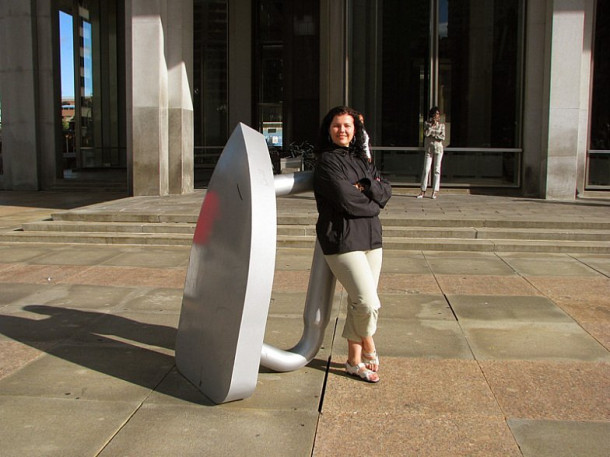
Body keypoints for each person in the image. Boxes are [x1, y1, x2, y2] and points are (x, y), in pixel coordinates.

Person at [313, 106, 392, 383]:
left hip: (371, 237)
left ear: (355, 130)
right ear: (329, 129)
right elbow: (347, 200)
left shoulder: (363, 160)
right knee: (368, 302)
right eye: (337, 125)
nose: (342, 130)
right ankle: (369, 344)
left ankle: (353, 362)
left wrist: (366, 186)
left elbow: (386, 191)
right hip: (343, 239)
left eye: (348, 126)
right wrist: (371, 197)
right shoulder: (326, 162)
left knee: (358, 303)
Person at [417, 107, 445, 199]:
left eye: (438, 114)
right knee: (426, 169)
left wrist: (434, 134)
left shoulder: (442, 125)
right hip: (429, 149)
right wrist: (433, 128)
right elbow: (426, 134)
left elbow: (442, 137)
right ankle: (423, 190)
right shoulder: (427, 124)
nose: (437, 116)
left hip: (438, 149)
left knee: (437, 169)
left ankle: (435, 191)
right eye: (435, 114)